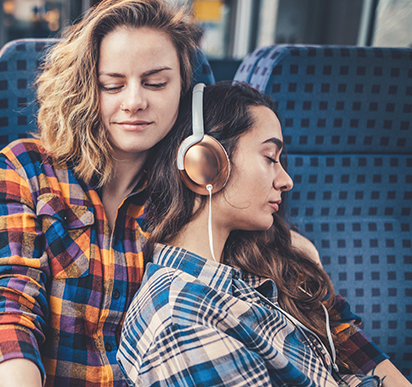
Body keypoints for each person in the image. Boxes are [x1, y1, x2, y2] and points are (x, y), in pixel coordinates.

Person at [0, 0, 200, 387]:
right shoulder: (24, 170)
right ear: (85, 89)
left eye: (156, 83)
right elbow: (7, 308)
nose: (135, 101)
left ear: (185, 90)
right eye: (112, 85)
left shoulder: (197, 187)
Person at [117, 82, 411, 387]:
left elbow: (344, 356)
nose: (286, 181)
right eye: (270, 158)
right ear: (204, 164)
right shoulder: (181, 317)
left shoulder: (255, 270)